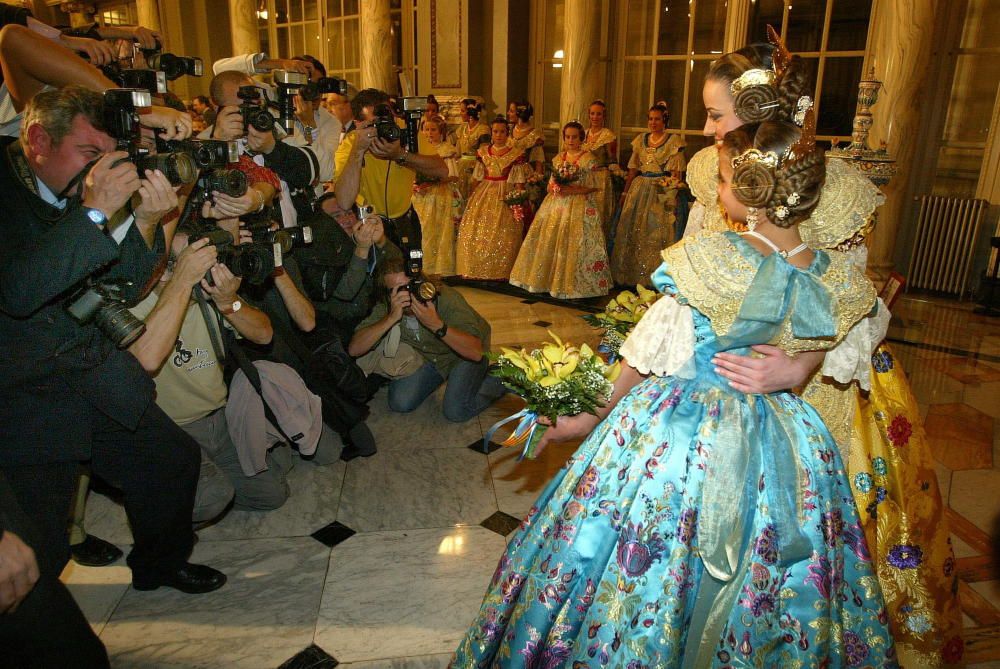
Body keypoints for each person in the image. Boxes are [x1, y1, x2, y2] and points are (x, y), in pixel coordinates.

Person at [451, 112, 897, 666]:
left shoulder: (708, 262)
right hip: (787, 442)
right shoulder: (835, 276)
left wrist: (583, 419)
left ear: (753, 194)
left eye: (726, 180)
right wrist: (802, 363)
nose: (719, 189)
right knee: (773, 572)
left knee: (650, 553)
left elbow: (641, 361)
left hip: (686, 435)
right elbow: (856, 339)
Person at [688, 37, 964, 666]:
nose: (706, 129)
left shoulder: (830, 188)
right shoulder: (712, 173)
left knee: (808, 530)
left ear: (760, 116)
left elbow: (861, 312)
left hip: (821, 390)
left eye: (717, 115)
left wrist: (802, 365)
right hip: (726, 380)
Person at [0, 86, 225, 596]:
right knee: (41, 543)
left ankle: (159, 566)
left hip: (87, 366)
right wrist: (95, 213)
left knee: (172, 461)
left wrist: (145, 221)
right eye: (88, 153)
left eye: (107, 155)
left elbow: (123, 284)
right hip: (23, 391)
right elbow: (19, 291)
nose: (101, 169)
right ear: (37, 138)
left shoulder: (85, 193)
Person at [348, 255, 505, 422]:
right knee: (400, 403)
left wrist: (436, 325)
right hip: (432, 357)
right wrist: (390, 319)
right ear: (387, 294)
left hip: (462, 353)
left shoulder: (445, 297)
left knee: (456, 411)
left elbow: (476, 352)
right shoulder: (388, 306)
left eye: (409, 286)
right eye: (397, 290)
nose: (406, 295)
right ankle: (446, 378)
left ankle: (504, 374)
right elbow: (354, 349)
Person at [333, 87, 449, 251]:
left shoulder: (405, 131)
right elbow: (344, 201)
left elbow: (442, 171)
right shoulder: (350, 144)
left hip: (405, 221)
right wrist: (358, 151)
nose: (385, 128)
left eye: (388, 119)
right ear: (359, 124)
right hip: (368, 224)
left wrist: (400, 155)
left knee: (411, 273)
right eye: (376, 123)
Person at [509, 120, 611, 298]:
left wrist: (571, 189)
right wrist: (555, 188)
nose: (571, 140)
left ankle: (575, 284)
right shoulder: (558, 159)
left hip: (580, 204)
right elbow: (550, 185)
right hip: (556, 204)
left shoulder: (588, 159)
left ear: (581, 139)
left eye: (574, 137)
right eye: (567, 137)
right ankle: (547, 280)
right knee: (550, 238)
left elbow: (593, 186)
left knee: (575, 241)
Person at [609, 101, 686, 286]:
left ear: (664, 121)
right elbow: (633, 169)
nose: (653, 122)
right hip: (639, 187)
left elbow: (676, 173)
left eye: (657, 119)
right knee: (632, 227)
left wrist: (672, 194)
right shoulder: (640, 140)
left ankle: (654, 275)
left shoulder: (673, 141)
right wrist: (625, 193)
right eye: (650, 119)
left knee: (656, 229)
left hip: (660, 188)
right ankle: (630, 274)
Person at [455, 116, 530, 280]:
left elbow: (518, 181)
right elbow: (477, 177)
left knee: (504, 231)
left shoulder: (515, 154)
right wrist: (471, 197)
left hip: (505, 193)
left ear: (507, 133)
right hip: (485, 191)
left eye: (502, 132)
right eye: (495, 131)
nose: (499, 135)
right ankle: (474, 268)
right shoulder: (482, 152)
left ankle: (501, 270)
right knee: (477, 228)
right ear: (491, 133)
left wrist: (518, 200)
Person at [412, 114, 462, 275]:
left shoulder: (446, 150)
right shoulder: (419, 149)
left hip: (439, 195)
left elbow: (452, 175)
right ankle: (422, 264)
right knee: (422, 228)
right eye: (426, 129)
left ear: (441, 132)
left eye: (433, 130)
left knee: (439, 229)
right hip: (421, 195)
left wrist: (433, 181)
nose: (429, 133)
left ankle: (439, 267)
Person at [581, 99, 619, 232]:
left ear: (604, 116)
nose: (595, 117)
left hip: (600, 179)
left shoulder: (608, 135)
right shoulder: (583, 134)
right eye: (592, 114)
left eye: (598, 114)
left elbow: (612, 159)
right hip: (584, 178)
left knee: (598, 214)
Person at [451, 98, 488, 200]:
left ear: (470, 112)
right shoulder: (462, 128)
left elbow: (484, 152)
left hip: (475, 166)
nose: (460, 113)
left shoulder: (483, 129)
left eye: (463, 111)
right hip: (461, 165)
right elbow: (457, 149)